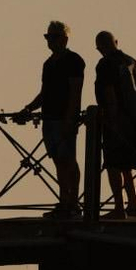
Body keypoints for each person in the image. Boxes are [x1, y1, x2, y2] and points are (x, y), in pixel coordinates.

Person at [16, 20, 86, 217]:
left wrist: (70, 119)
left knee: (68, 160)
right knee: (57, 160)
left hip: (64, 119)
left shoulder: (74, 61)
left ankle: (73, 202)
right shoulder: (48, 64)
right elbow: (44, 93)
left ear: (64, 39)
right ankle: (64, 201)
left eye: (54, 37)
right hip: (49, 119)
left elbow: (75, 92)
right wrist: (28, 108)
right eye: (48, 37)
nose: (50, 41)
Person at [93, 30, 136, 219]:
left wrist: (111, 119)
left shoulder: (105, 64)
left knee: (112, 164)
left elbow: (109, 93)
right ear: (116, 42)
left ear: (100, 47)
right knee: (126, 165)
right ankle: (133, 204)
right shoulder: (133, 61)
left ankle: (119, 207)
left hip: (117, 119)